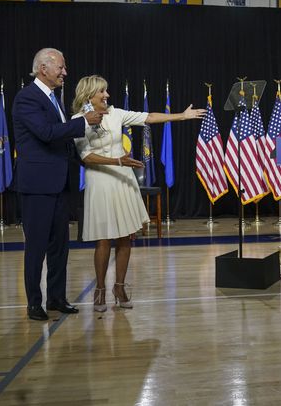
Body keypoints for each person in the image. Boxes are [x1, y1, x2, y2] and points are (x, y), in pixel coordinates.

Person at [72, 75, 204, 312]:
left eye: (107, 91)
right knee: (103, 240)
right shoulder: (76, 120)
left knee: (125, 237)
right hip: (101, 183)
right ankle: (100, 288)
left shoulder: (116, 113)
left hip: (123, 181)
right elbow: (86, 156)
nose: (107, 95)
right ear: (89, 95)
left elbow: (149, 117)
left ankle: (119, 287)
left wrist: (181, 116)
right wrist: (117, 161)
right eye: (102, 92)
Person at [13, 48, 106, 321]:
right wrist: (82, 122)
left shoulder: (54, 98)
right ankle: (34, 303)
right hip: (38, 186)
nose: (65, 72)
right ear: (44, 69)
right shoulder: (26, 98)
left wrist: (88, 159)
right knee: (37, 247)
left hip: (59, 184)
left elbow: (62, 141)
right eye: (61, 68)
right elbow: (46, 133)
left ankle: (56, 298)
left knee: (59, 247)